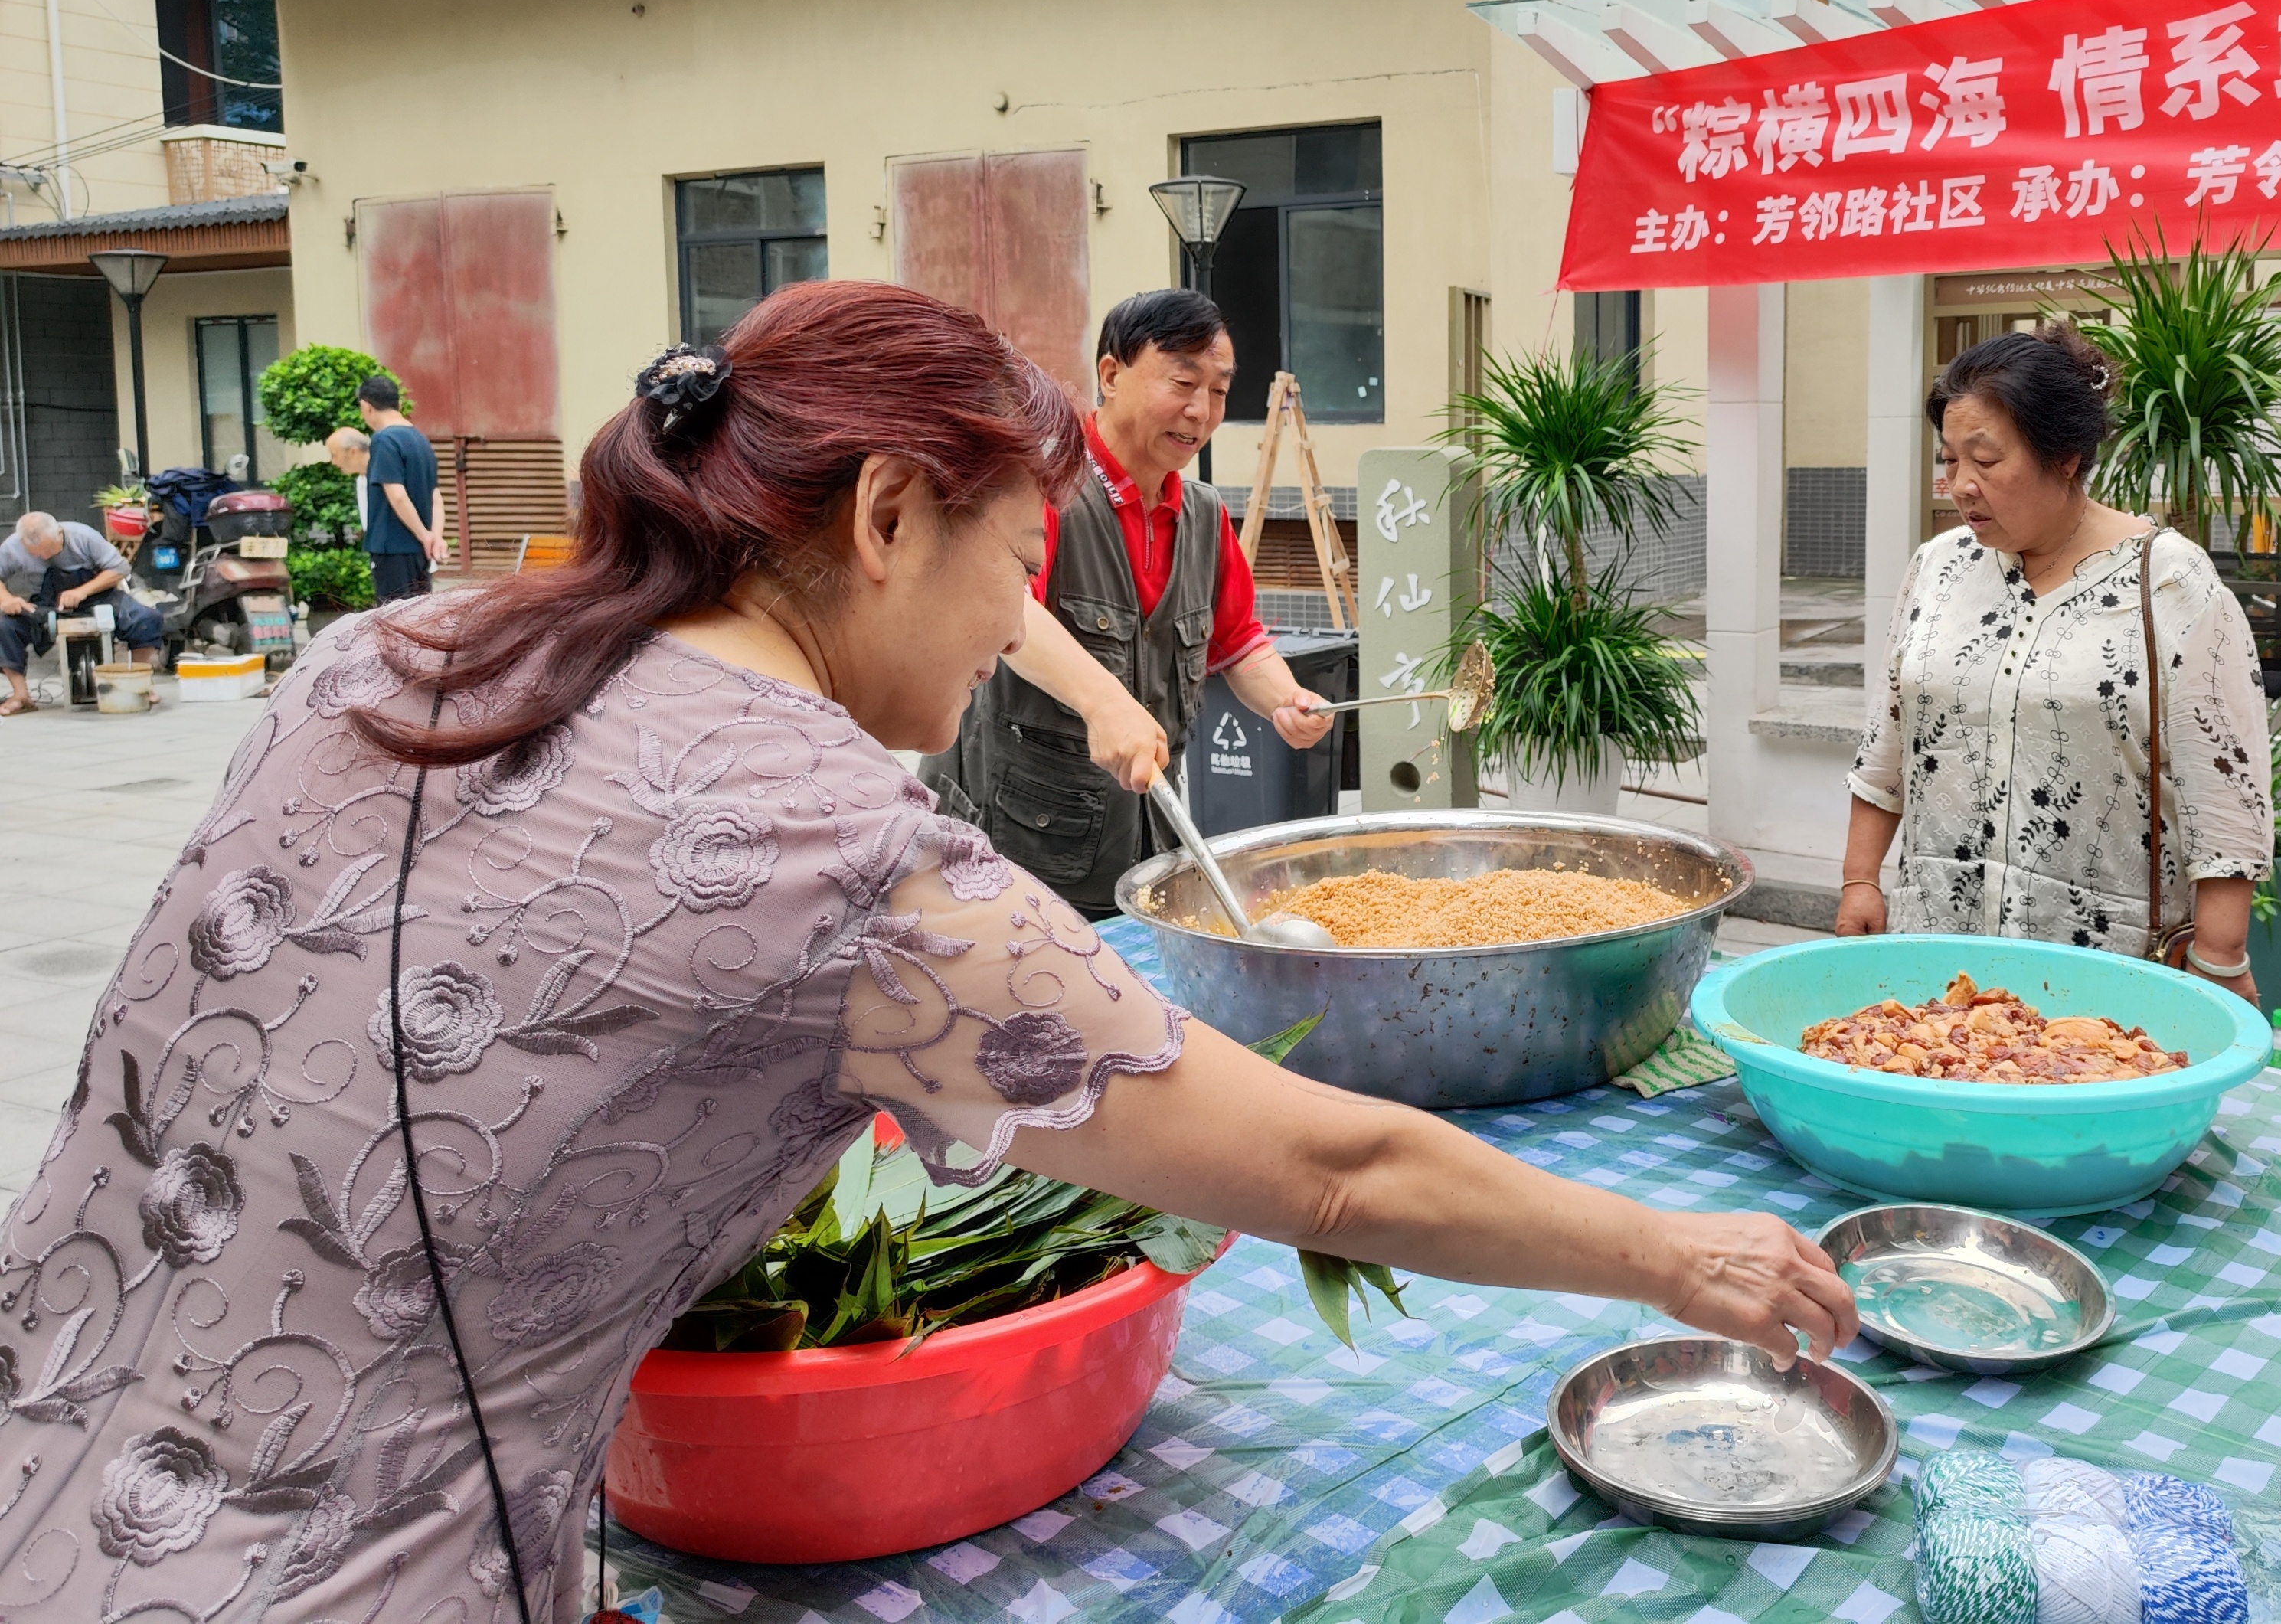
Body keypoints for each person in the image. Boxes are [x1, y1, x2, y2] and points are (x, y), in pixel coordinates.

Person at [1, 282, 1853, 1624]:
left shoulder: (381, 654)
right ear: (887, 514)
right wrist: (1669, 1250)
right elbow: (1328, 1165)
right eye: (1012, 566)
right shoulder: (843, 855)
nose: (1014, 625)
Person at [1838, 324, 2273, 1000]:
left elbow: (2222, 788)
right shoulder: (1939, 566)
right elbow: (1888, 738)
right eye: (1949, 460)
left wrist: (2219, 957)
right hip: (1935, 942)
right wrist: (1860, 879)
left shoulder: (2166, 581)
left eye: (1984, 460)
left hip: (2099, 965)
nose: (1959, 485)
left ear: (2065, 456)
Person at [923, 288, 1335, 913]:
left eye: (1219, 391)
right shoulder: (1038, 486)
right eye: (1182, 383)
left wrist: (1289, 701)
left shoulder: (1201, 514)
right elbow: (1011, 615)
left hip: (1146, 850)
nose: (1200, 411)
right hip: (1019, 853)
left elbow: (1237, 642)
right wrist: (1104, 702)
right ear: (1111, 375)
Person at [0, 508, 164, 715]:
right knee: (5, 626)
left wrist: (82, 591)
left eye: (50, 551)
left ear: (59, 533)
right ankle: (21, 696)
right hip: (47, 604)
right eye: (37, 554)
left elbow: (120, 569)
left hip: (97, 597)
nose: (44, 556)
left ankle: (139, 685)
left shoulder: (83, 536)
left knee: (146, 618)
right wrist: (6, 599)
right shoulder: (13, 547)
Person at [359, 373, 447, 599]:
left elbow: (396, 495)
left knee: (393, 623)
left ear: (366, 407)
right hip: (419, 552)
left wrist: (424, 535)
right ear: (398, 404)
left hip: (392, 549)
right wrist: (433, 536)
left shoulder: (384, 440)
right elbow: (435, 496)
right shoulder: (420, 439)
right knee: (418, 619)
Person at [327, 422, 372, 542]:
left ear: (353, 452)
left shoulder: (387, 473)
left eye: (334, 455)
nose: (333, 462)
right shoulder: (361, 479)